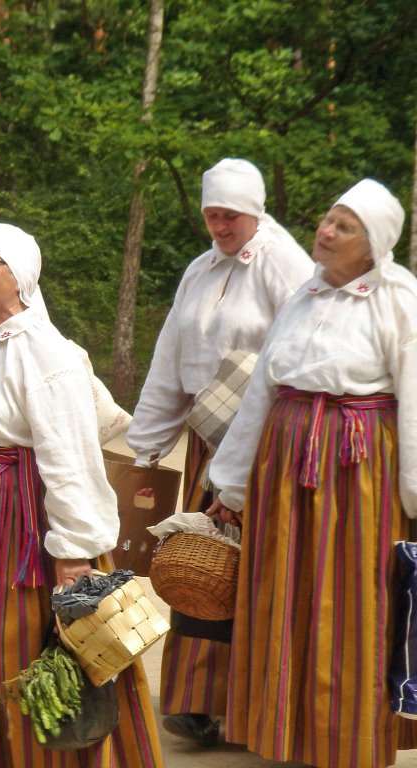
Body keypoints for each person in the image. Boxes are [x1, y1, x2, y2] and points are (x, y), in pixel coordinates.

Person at [0, 223, 165, 768]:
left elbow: (70, 458)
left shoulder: (50, 354)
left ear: (19, 277)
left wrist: (72, 551)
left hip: (22, 525)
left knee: (26, 649)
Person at [206, 179, 417, 768]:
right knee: (286, 586)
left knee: (356, 596)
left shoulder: (401, 299)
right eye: (327, 220)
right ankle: (288, 729)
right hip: (285, 461)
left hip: (360, 470)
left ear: (373, 243)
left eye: (343, 227)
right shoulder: (303, 293)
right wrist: (233, 485)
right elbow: (260, 393)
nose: (325, 232)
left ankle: (347, 736)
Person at [125, 158, 312, 746]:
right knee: (200, 568)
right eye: (211, 214)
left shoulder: (285, 264)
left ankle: (255, 704)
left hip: (268, 452)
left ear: (254, 211)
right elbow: (170, 352)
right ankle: (199, 700)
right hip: (212, 444)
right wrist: (149, 440)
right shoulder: (201, 269)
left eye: (230, 215)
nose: (219, 226)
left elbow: (303, 348)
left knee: (256, 574)